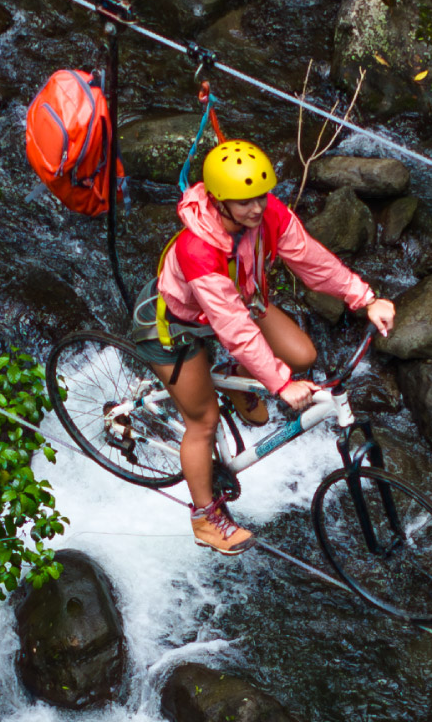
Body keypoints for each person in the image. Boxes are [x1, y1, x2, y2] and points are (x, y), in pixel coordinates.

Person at [141, 139, 395, 555]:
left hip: (239, 299)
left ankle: (239, 380)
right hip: (177, 327)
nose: (256, 209)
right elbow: (235, 330)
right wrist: (279, 384)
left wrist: (364, 298)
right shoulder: (198, 251)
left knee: (303, 356)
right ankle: (206, 518)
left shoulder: (269, 214)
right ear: (219, 202)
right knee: (202, 423)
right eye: (243, 202)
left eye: (260, 196)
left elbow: (311, 260)